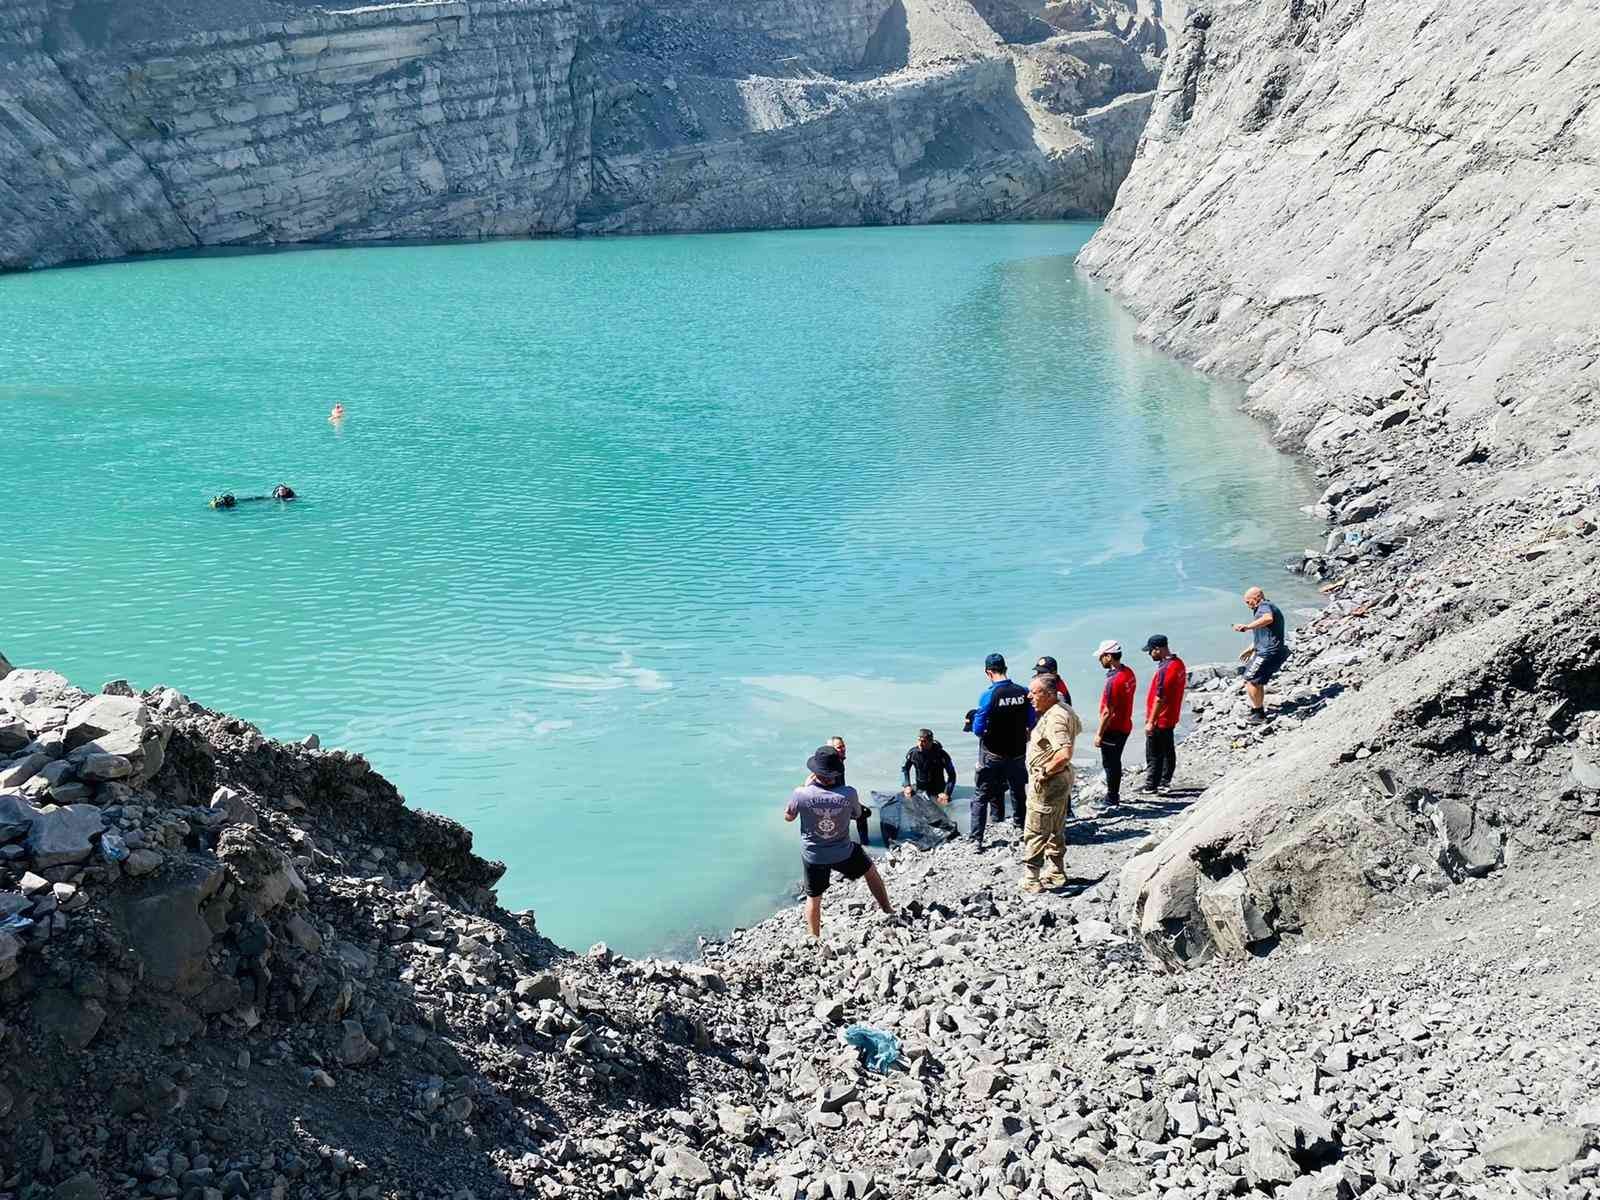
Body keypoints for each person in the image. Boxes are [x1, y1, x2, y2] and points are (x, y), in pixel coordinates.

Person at [784, 744, 892, 937]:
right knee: (871, 871)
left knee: (814, 898)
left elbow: (788, 817)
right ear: (836, 772)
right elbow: (858, 814)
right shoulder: (849, 793)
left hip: (814, 855)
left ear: (814, 771)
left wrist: (806, 787)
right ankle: (887, 910)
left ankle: (814, 938)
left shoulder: (801, 793)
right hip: (844, 851)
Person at [1021, 674, 1081, 894]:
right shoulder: (1064, 710)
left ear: (1047, 694)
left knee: (1036, 828)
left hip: (1048, 781)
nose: (1029, 697)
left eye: (1033, 693)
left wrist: (1044, 771)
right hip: (1060, 780)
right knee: (1056, 826)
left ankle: (1031, 878)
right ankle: (1056, 871)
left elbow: (1064, 753)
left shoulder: (1055, 718)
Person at [969, 653, 1034, 847]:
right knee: (1018, 791)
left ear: (988, 672)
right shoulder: (1023, 691)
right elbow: (1032, 721)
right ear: (1006, 668)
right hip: (1017, 752)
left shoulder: (989, 695)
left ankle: (976, 839)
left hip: (993, 754)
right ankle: (1022, 829)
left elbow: (978, 729)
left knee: (981, 794)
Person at [1233, 586, 1289, 723]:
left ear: (1257, 598)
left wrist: (1247, 627)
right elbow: (1266, 633)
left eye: (1248, 601)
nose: (1247, 605)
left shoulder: (1264, 606)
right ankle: (1256, 710)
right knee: (1257, 681)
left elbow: (1268, 619)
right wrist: (1251, 648)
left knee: (1250, 680)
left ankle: (1259, 714)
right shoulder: (1263, 608)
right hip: (1267, 650)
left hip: (1268, 652)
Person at [1093, 641, 1137, 810]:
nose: (1099, 661)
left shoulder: (1114, 682)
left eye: (1101, 657)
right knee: (1115, 761)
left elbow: (1107, 712)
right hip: (1126, 724)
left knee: (1110, 763)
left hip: (1113, 729)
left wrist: (1099, 734)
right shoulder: (1129, 672)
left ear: (1109, 656)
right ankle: (1113, 795)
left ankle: (1112, 798)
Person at [1140, 635, 1186, 794]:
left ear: (1158, 649)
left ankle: (1151, 785)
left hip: (1160, 717)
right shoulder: (1178, 663)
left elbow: (1160, 697)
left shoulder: (1165, 669)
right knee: (1167, 749)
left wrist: (1150, 721)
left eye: (1151, 651)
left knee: (1153, 753)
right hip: (1171, 715)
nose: (1149, 654)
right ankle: (1165, 781)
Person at [825, 735, 870, 844]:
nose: (843, 749)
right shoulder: (829, 766)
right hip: (832, 803)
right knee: (862, 814)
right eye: (839, 747)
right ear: (831, 750)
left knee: (863, 813)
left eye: (843, 746)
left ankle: (864, 843)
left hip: (841, 798)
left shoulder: (839, 761)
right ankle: (861, 843)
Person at [901, 728, 956, 805]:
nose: (920, 744)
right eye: (919, 740)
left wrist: (946, 793)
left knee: (945, 806)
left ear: (930, 742)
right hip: (920, 789)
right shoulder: (913, 753)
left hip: (938, 791)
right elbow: (904, 769)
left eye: (923, 741)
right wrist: (907, 785)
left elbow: (952, 775)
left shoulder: (942, 755)